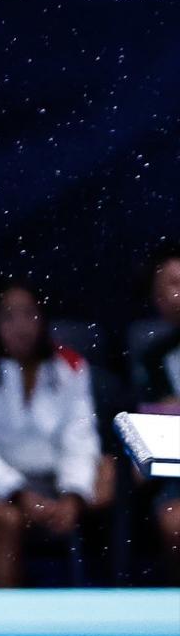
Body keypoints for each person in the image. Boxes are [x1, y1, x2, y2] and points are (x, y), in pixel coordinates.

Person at [0, 281, 102, 588]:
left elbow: (79, 438)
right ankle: (7, 611)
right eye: (9, 316)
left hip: (52, 483)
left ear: (43, 319)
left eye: (29, 314)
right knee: (9, 520)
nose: (21, 326)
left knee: (108, 482)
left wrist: (73, 495)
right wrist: (17, 493)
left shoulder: (71, 366)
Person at [127, 244, 180, 581]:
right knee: (174, 522)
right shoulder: (153, 358)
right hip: (178, 474)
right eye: (170, 286)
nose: (177, 294)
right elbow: (153, 424)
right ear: (157, 300)